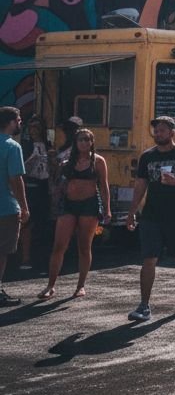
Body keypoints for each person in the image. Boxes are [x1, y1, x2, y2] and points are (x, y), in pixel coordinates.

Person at [126, 116, 175, 321]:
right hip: (151, 215)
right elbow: (140, 184)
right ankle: (144, 305)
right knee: (149, 258)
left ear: (172, 132)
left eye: (162, 130)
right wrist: (132, 211)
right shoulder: (147, 156)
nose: (158, 134)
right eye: (156, 131)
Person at [38, 127, 110, 299]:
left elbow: (104, 186)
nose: (84, 143)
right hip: (69, 205)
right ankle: (50, 285)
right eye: (80, 140)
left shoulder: (98, 161)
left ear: (92, 142)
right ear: (75, 143)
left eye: (87, 140)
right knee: (59, 245)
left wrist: (107, 209)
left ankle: (80, 286)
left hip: (89, 206)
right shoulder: (68, 161)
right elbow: (59, 185)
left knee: (84, 246)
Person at [0, 107, 29, 307]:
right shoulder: (12, 146)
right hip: (5, 207)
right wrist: (24, 207)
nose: (20, 123)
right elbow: (16, 180)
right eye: (18, 120)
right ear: (10, 122)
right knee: (2, 250)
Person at [18, 116, 51, 269]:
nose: (34, 130)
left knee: (42, 222)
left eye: (37, 127)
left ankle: (40, 257)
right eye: (31, 127)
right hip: (29, 185)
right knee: (27, 223)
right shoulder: (25, 145)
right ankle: (25, 258)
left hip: (44, 186)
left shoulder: (48, 145)